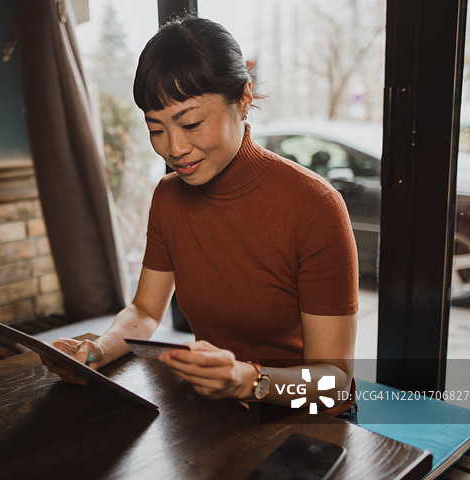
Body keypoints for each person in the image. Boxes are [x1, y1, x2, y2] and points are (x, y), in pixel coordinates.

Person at [42, 16, 359, 422]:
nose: (174, 148)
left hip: (308, 417)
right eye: (156, 129)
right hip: (219, 407)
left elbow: (333, 383)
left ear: (243, 98)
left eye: (191, 123)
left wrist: (248, 381)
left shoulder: (315, 206)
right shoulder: (169, 197)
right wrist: (97, 351)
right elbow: (144, 311)